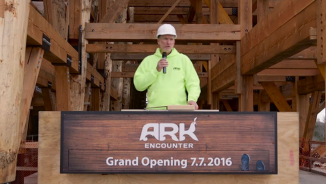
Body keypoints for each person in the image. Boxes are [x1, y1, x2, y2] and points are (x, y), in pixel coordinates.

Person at [133, 24, 201, 110]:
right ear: (158, 41)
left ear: (174, 42)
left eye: (171, 39)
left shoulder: (183, 59)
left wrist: (192, 99)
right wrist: (156, 71)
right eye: (165, 39)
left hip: (178, 110)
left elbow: (193, 83)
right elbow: (139, 85)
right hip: (154, 110)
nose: (168, 42)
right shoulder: (148, 60)